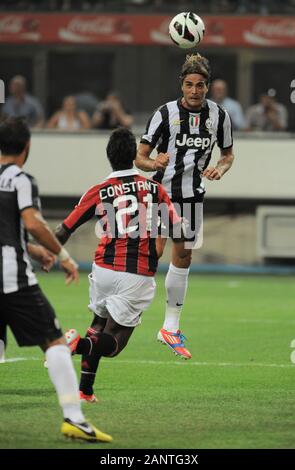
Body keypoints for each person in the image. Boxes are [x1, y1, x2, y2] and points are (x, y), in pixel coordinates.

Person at [0, 117, 112, 442]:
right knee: (55, 342)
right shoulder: (21, 179)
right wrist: (62, 256)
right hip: (11, 279)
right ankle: (74, 418)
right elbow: (32, 222)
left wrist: (34, 252)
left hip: (11, 265)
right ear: (27, 147)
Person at [55, 127, 183, 402]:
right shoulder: (155, 189)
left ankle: (85, 391)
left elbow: (64, 230)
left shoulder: (99, 190)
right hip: (136, 274)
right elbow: (178, 229)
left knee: (98, 323)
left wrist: (47, 253)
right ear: (134, 156)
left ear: (109, 156)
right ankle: (74, 344)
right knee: (113, 344)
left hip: (102, 269)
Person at [135, 53, 234, 360]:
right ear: (182, 84)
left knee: (184, 255)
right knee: (153, 253)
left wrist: (221, 167)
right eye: (190, 85)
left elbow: (228, 154)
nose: (195, 91)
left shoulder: (219, 116)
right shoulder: (164, 114)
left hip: (192, 196)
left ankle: (170, 327)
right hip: (162, 193)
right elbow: (139, 157)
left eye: (200, 85)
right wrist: (154, 163)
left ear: (208, 86)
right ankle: (122, 307)